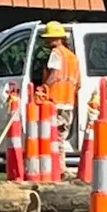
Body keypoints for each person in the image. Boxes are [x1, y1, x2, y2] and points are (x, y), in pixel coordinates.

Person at [37, 20, 79, 149]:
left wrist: (43, 89)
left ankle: (54, 165)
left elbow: (54, 75)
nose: (46, 42)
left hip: (54, 100)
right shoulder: (72, 57)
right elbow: (78, 82)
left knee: (51, 135)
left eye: (49, 39)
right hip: (68, 102)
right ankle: (61, 166)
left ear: (57, 38)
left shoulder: (56, 53)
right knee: (61, 136)